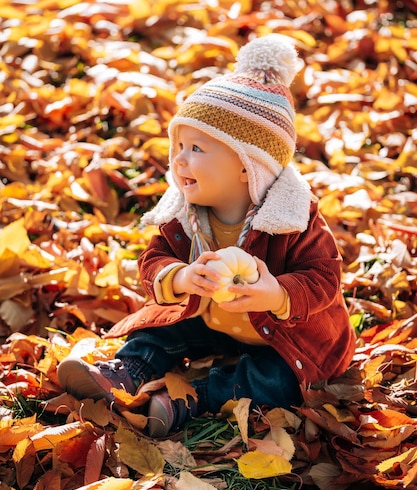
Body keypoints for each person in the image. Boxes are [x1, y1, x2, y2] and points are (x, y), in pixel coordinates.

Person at [57, 34, 356, 438]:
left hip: (284, 340)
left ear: (249, 165)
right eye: (178, 145)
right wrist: (179, 278)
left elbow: (324, 278)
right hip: (210, 319)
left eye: (197, 147)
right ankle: (129, 371)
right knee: (160, 329)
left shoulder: (292, 217)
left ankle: (193, 397)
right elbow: (153, 260)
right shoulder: (186, 211)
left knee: (279, 383)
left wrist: (277, 294)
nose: (179, 159)